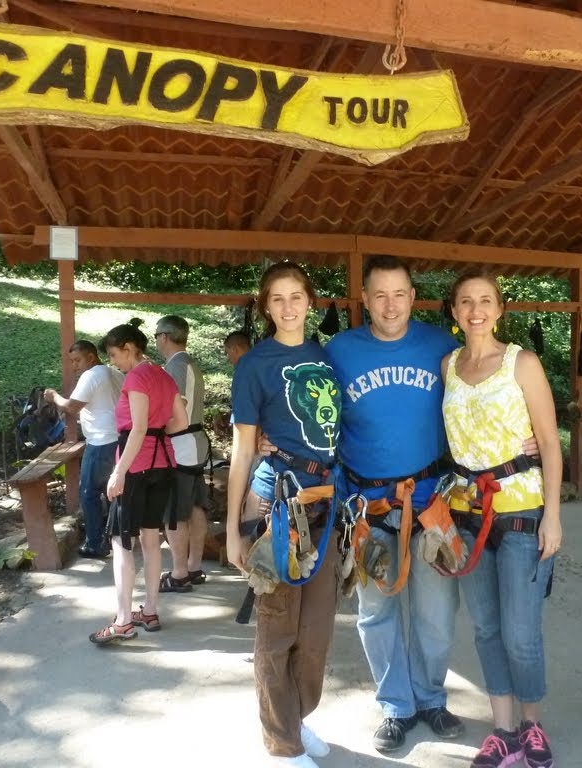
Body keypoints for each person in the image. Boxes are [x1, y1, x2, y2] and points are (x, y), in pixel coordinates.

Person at [323, 255, 465, 753]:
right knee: (376, 613)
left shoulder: (441, 347)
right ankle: (395, 706)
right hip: (368, 506)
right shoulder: (339, 351)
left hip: (430, 505)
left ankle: (430, 698)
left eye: (399, 294)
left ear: (412, 297)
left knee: (435, 615)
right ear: (363, 299)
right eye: (379, 295)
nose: (390, 305)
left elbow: (482, 398)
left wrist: (526, 441)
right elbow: (312, 412)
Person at [440, 269, 563, 768]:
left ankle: (532, 724)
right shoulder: (447, 364)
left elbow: (550, 443)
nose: (476, 310)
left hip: (520, 512)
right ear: (453, 311)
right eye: (466, 301)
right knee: (486, 628)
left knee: (520, 631)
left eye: (485, 300)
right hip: (467, 514)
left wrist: (552, 516)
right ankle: (503, 729)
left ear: (500, 309)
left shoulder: (522, 363)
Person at [226, 261, 342, 768]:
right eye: (278, 298)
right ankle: (282, 742)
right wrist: (231, 529)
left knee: (316, 632)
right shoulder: (254, 365)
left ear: (310, 301)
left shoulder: (327, 356)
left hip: (327, 501)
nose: (289, 307)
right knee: (278, 631)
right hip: (276, 505)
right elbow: (241, 450)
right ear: (265, 305)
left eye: (297, 296)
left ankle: (298, 717)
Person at [89, 323, 188, 645]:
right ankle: (151, 610)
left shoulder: (136, 378)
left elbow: (138, 428)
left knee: (121, 542)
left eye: (116, 354)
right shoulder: (164, 375)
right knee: (150, 538)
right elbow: (181, 422)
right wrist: (158, 434)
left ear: (130, 348)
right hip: (164, 465)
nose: (115, 362)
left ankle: (122, 620)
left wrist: (119, 471)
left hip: (135, 467)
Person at [44, 340, 124, 558]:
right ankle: (118, 538)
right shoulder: (114, 373)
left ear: (91, 356)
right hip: (119, 439)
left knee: (88, 493)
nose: (75, 366)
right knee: (113, 492)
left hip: (100, 442)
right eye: (71, 361)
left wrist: (54, 397)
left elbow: (72, 406)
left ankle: (95, 542)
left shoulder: (92, 375)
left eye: (77, 360)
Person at [155, 315, 211, 592]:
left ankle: (179, 573)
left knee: (175, 511)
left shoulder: (176, 366)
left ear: (164, 336)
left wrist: (157, 430)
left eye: (156, 336)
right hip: (195, 443)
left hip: (180, 445)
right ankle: (193, 566)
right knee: (196, 506)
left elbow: (177, 407)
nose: (156, 341)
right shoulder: (190, 365)